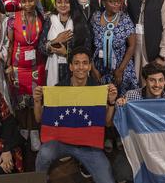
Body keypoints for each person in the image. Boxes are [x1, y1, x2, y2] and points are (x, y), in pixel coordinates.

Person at [33, 48, 118, 183]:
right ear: (71, 67)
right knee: (43, 155)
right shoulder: (59, 89)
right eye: (77, 63)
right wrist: (37, 102)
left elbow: (107, 123)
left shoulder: (97, 89)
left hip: (88, 145)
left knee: (106, 178)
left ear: (90, 66)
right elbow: (39, 119)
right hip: (61, 142)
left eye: (85, 63)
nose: (81, 67)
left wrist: (112, 102)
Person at [112, 63, 165, 182]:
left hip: (159, 151)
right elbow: (120, 125)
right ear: (145, 80)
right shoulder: (131, 96)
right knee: (121, 174)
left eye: (160, 80)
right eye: (152, 80)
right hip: (135, 148)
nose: (157, 85)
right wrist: (120, 107)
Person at [5, 0, 44, 151]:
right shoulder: (13, 20)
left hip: (36, 67)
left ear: (35, 0)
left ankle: (34, 131)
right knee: (20, 102)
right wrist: (8, 65)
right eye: (24, 1)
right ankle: (23, 130)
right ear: (20, 2)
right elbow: (9, 44)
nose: (28, 4)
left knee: (35, 99)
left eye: (31, 0)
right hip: (17, 66)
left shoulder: (42, 18)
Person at [92, 0, 138, 95]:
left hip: (121, 67)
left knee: (122, 100)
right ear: (103, 3)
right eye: (112, 2)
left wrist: (120, 70)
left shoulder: (124, 19)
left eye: (118, 1)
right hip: (100, 68)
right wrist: (93, 69)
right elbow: (89, 44)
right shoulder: (96, 17)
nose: (116, 4)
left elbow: (132, 46)